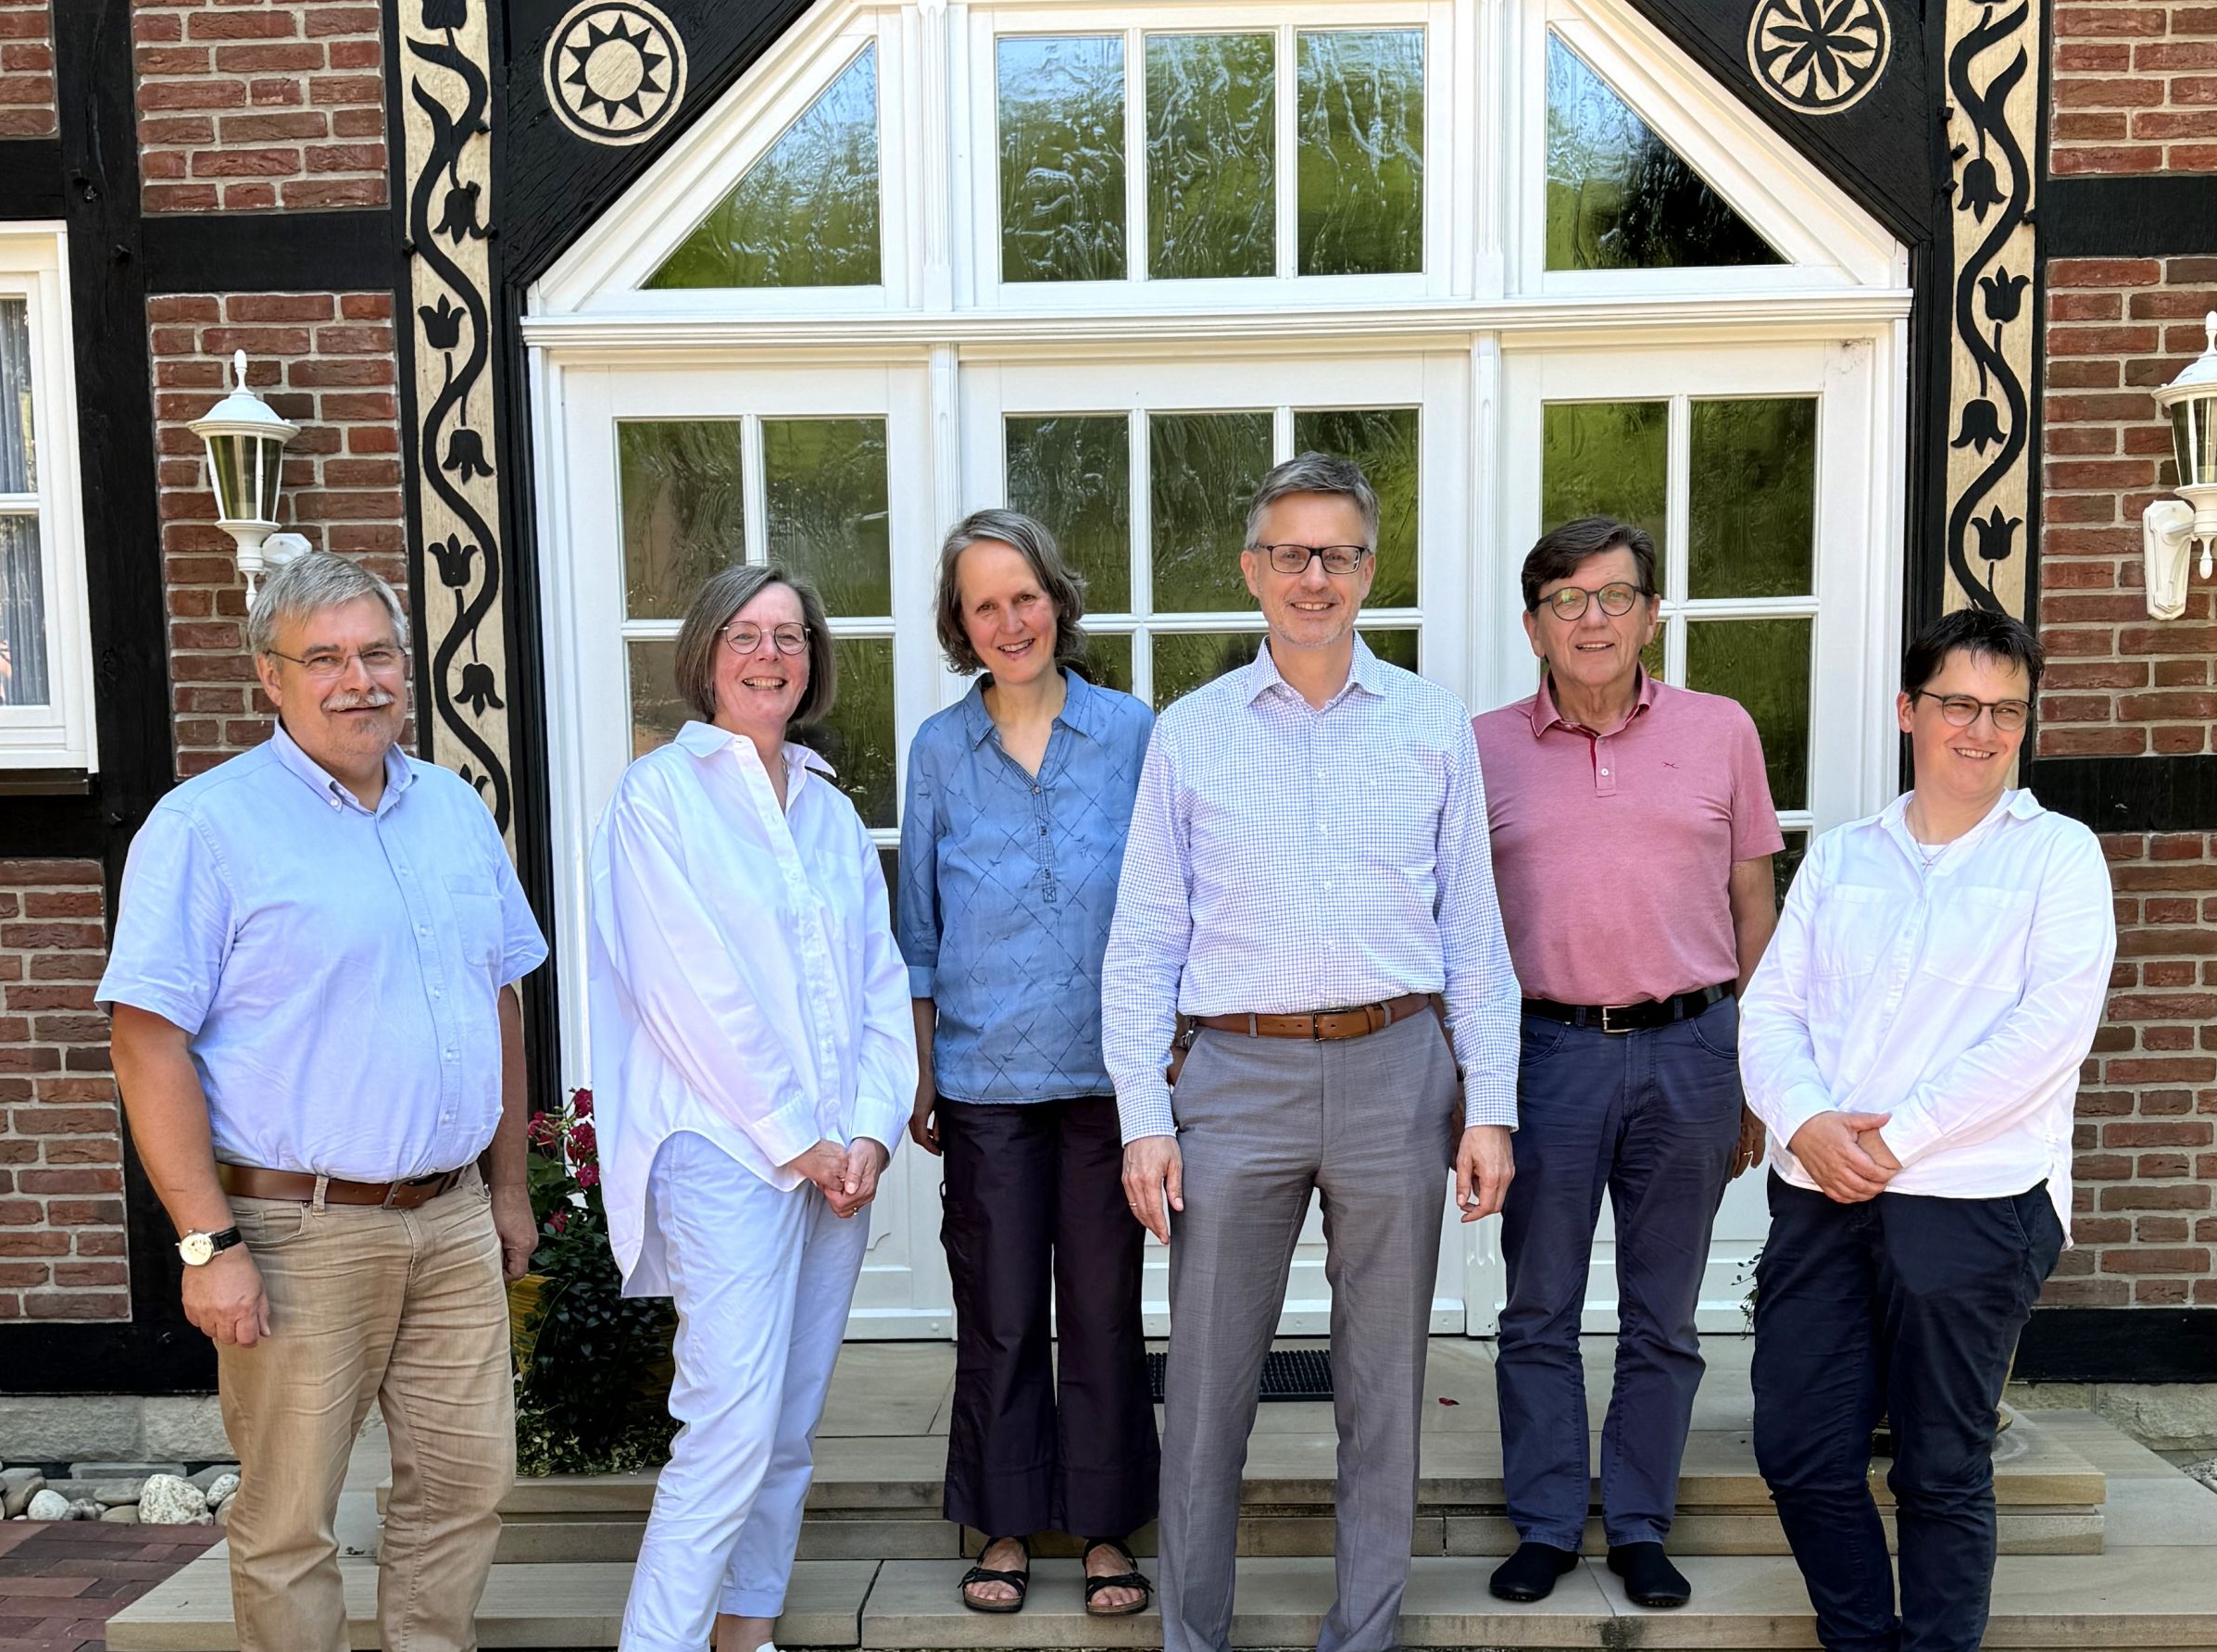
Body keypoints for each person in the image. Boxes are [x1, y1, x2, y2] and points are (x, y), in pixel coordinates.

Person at [1104, 452, 1522, 1652]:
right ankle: (1193, 1634)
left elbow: (1474, 932)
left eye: (1337, 553)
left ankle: (1364, 1632)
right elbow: (1143, 937)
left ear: (1369, 570)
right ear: (1252, 569)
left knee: (1384, 1383)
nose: (1314, 576)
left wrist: (1488, 1105)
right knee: (1208, 1385)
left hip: (1398, 1070)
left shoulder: (1432, 724)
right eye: (1290, 553)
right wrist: (1144, 1116)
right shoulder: (1191, 733)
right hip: (1234, 1078)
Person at [98, 552, 546, 1652]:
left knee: (463, 1491)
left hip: (450, 1219)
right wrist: (209, 1245)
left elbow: (498, 1000)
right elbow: (145, 1042)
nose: (360, 680)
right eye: (327, 658)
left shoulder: (453, 809)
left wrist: (507, 1187)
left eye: (378, 653)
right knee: (291, 1518)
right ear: (271, 674)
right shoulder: (206, 827)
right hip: (298, 1229)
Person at [1740, 608, 2114, 1652]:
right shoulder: (1842, 857)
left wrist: (1891, 1142)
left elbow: (2048, 1034)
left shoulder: (2059, 859)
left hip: (1972, 1202)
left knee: (1941, 1467)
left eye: (2006, 711)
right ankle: (1862, 1638)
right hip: (1820, 1197)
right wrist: (1808, 1122)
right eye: (1958, 704)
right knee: (1800, 1448)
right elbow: (1771, 1011)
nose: (1981, 731)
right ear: (1908, 711)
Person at [587, 564, 915, 1652]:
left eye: (789, 635)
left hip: (835, 1166)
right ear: (704, 653)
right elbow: (690, 992)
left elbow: (879, 984)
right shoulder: (657, 799)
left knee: (786, 1424)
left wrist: (867, 1130)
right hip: (726, 1152)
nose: (769, 654)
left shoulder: (828, 809)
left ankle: (746, 1632)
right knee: (727, 1425)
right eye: (744, 633)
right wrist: (800, 1139)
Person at [1472, 516, 1784, 1609]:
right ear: (1533, 626)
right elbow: (1457, 928)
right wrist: (1474, 1088)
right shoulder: (1480, 747)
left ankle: (1641, 1523)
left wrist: (1756, 1072)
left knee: (1664, 1312)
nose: (1592, 618)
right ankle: (1548, 1521)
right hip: (1544, 1053)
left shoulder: (1720, 729)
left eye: (1614, 595)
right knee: (1538, 1306)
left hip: (1692, 1050)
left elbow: (1755, 905)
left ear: (1651, 613)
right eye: (1566, 599)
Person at [898, 510, 1159, 1617]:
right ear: (960, 625)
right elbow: (919, 927)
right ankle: (1002, 1521)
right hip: (984, 1083)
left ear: (1057, 598)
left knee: (1102, 1311)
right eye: (984, 605)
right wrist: (921, 1072)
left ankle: (1105, 1527)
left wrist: (1167, 1065)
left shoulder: (1132, 731)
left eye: (1025, 596)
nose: (1010, 622)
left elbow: (1169, 907)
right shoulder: (937, 749)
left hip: (1110, 1081)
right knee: (999, 1311)